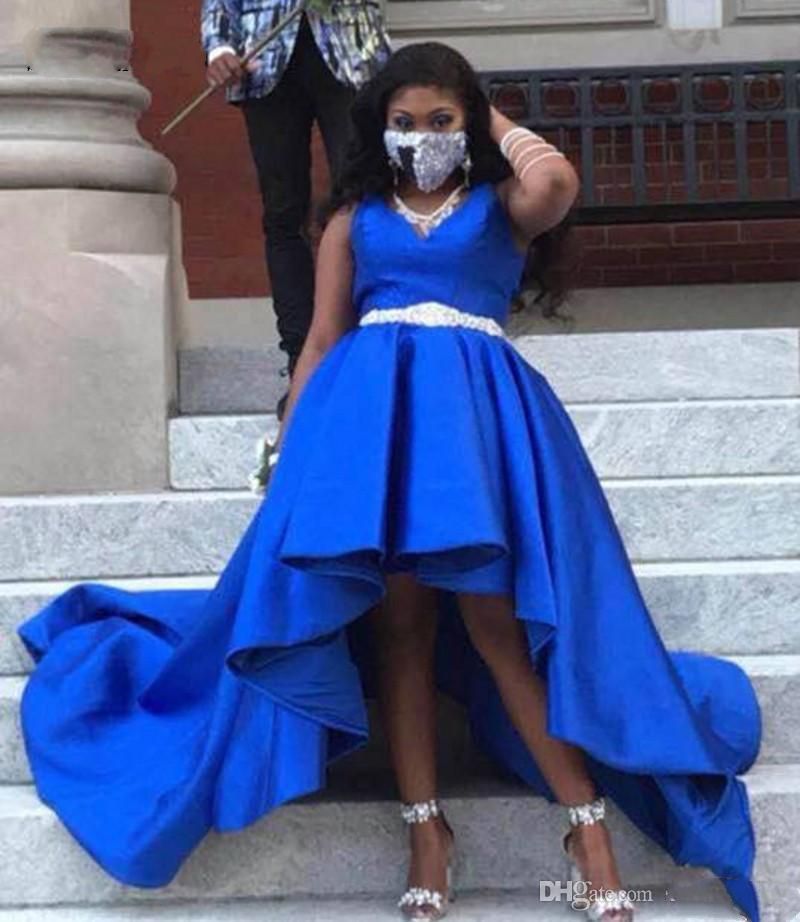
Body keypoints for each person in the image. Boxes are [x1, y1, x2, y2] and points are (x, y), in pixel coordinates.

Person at [16, 42, 761, 922]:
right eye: (403, 122)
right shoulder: (354, 216)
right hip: (373, 434)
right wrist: (293, 447)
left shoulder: (499, 207)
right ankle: (425, 831)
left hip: (477, 437)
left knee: (495, 625)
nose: (421, 137)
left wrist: (483, 115)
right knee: (400, 628)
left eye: (440, 120)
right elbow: (322, 339)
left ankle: (586, 828)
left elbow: (557, 182)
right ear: (380, 128)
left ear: (469, 121)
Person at [201, 0, 392, 418]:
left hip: (352, 51)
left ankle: (371, 352)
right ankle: (302, 368)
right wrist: (219, 47)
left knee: (363, 207)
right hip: (261, 61)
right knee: (283, 217)